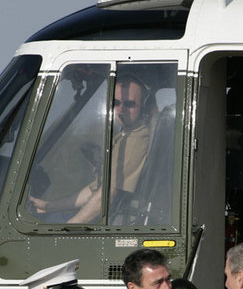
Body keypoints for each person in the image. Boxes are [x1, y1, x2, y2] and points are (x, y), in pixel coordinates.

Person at [29, 74, 153, 223]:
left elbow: (107, 194)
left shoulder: (136, 140)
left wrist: (69, 227)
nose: (121, 109)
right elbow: (95, 189)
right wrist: (48, 206)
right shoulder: (124, 135)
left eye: (129, 104)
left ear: (143, 107)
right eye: (116, 103)